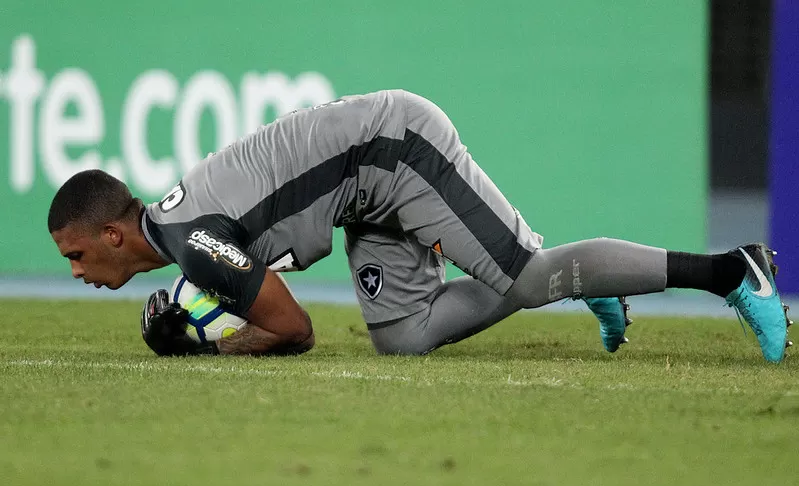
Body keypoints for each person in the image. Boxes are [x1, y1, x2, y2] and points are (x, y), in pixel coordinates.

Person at [48, 90, 792, 362]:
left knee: (530, 276)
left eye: (77, 255)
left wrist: (211, 348)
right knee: (402, 333)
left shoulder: (191, 244)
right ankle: (576, 276)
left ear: (114, 234)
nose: (78, 273)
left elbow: (294, 328)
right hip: (361, 194)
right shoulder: (185, 238)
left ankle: (731, 269)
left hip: (393, 150)